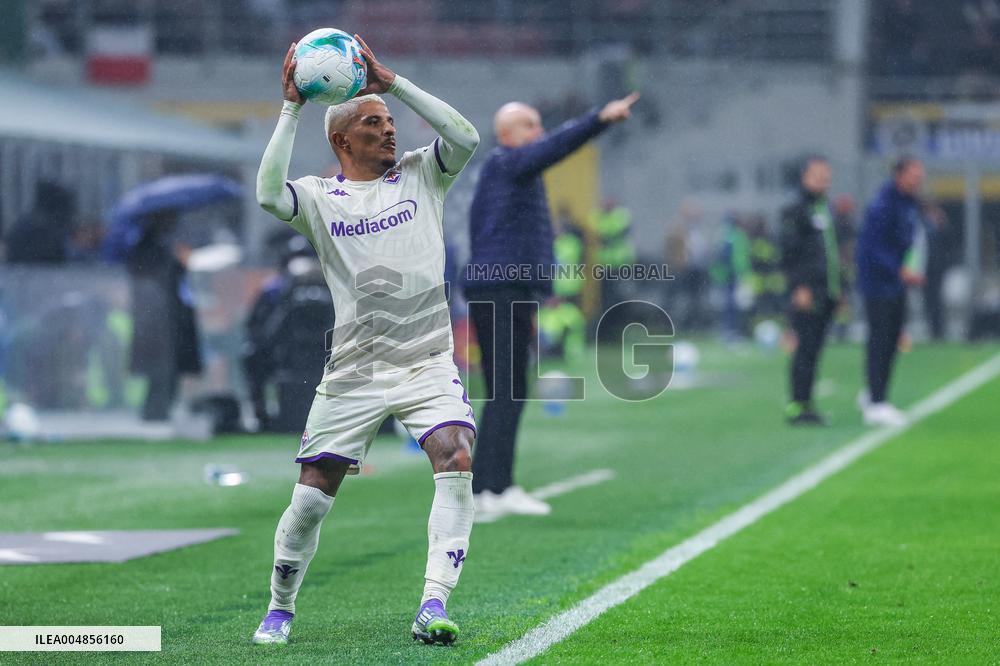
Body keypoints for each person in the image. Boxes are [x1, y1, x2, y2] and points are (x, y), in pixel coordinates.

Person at [252, 37, 480, 646]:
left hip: (426, 360)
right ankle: (279, 608)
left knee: (456, 454)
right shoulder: (318, 198)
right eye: (373, 123)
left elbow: (466, 138)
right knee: (312, 496)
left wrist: (393, 83)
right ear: (341, 140)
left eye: (389, 122)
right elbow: (268, 195)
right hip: (356, 368)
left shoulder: (423, 175)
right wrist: (291, 108)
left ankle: (433, 603)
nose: (389, 130)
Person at [464, 91, 639, 519]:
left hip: (507, 287)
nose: (539, 132)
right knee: (506, 389)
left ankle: (493, 486)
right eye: (530, 125)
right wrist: (599, 118)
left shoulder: (508, 170)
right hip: (502, 288)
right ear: (507, 134)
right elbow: (555, 147)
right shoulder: (506, 163)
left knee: (508, 390)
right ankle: (489, 488)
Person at [856, 157, 925, 427]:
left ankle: (875, 392)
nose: (918, 179)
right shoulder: (882, 204)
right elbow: (872, 247)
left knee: (892, 339)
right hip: (879, 283)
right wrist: (899, 269)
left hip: (896, 282)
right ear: (899, 175)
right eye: (913, 174)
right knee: (881, 340)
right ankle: (877, 401)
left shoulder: (908, 203)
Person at [779, 157, 845, 425]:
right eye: (817, 175)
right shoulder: (795, 210)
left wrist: (839, 289)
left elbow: (832, 254)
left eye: (826, 176)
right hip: (808, 292)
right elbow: (789, 252)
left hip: (826, 290)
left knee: (815, 349)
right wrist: (799, 287)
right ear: (804, 177)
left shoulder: (826, 210)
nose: (823, 181)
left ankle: (807, 403)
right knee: (805, 349)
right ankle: (797, 405)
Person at [123, 209, 202, 421]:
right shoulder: (148, 247)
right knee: (160, 368)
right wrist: (177, 261)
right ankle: (155, 410)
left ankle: (160, 409)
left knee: (169, 368)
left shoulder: (161, 245)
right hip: (159, 319)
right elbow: (157, 277)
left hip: (168, 317)